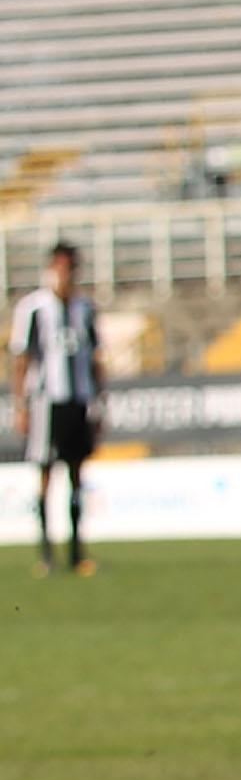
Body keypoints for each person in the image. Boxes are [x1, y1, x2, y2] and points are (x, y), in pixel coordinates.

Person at [11, 242, 101, 577]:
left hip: (77, 401)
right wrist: (20, 405)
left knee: (77, 475)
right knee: (46, 475)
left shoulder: (85, 308)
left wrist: (99, 404)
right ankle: (46, 552)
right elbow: (21, 360)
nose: (65, 274)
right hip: (45, 403)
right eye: (60, 267)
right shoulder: (33, 308)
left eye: (70, 268)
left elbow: (95, 359)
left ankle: (77, 551)